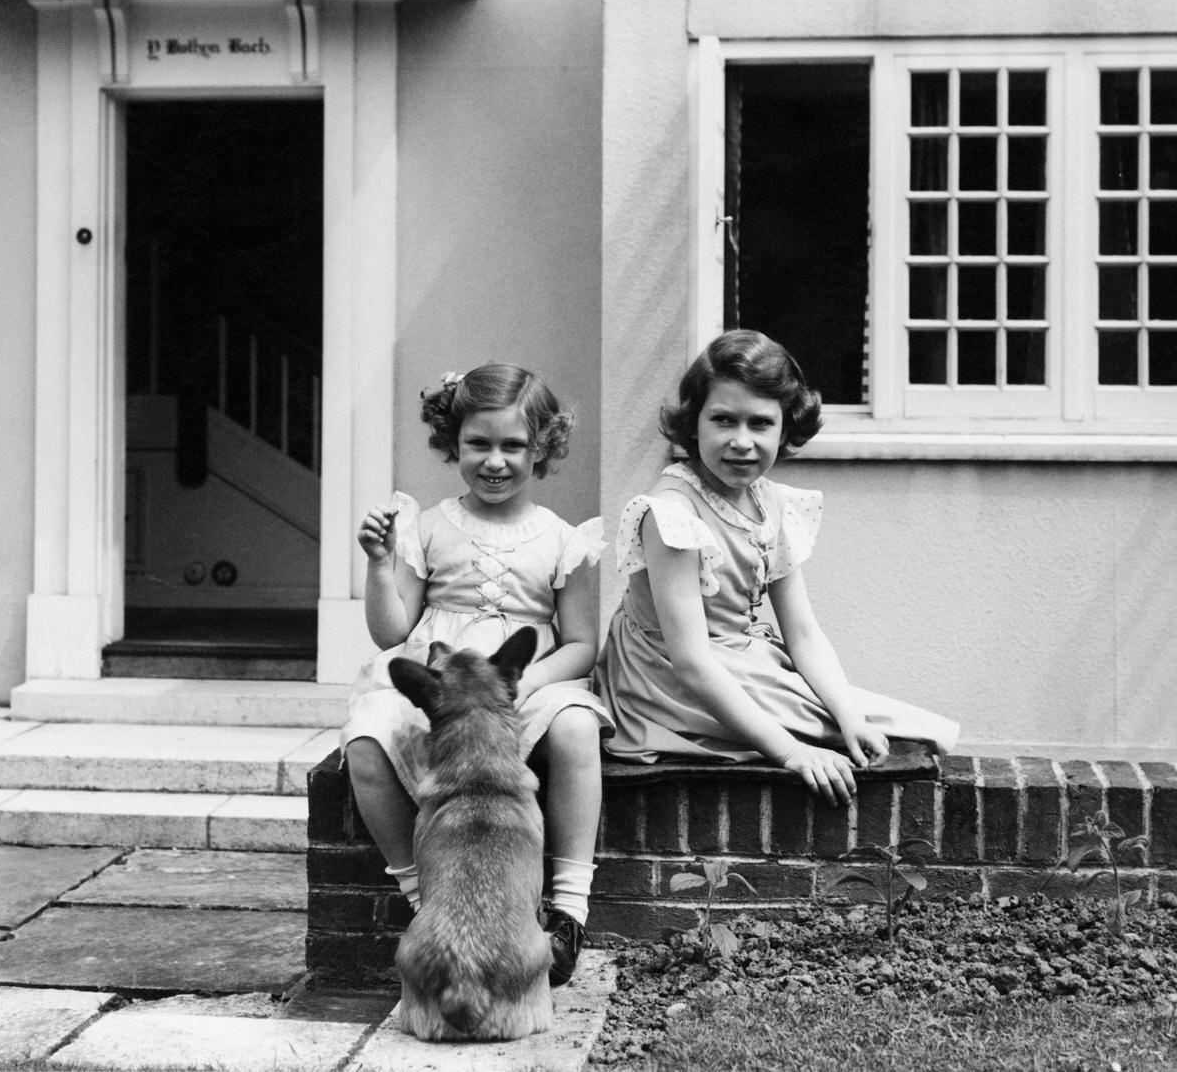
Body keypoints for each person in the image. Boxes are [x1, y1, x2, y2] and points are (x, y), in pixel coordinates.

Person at [595, 330, 958, 805]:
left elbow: (802, 633)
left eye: (760, 424)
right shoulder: (671, 513)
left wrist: (847, 713)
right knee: (865, 733)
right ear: (694, 424)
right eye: (723, 420)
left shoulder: (771, 504)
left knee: (880, 726)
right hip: (666, 679)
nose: (740, 441)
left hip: (737, 660)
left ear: (785, 430)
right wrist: (791, 753)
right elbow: (691, 661)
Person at [342, 363, 612, 987]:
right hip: (440, 687)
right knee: (368, 737)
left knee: (575, 728)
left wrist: (533, 684)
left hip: (526, 681)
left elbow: (579, 643)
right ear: (453, 442)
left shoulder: (562, 539)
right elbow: (391, 631)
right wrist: (380, 566)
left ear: (540, 447)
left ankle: (569, 909)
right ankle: (423, 901)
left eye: (513, 445)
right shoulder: (429, 527)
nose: (495, 461)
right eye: (478, 444)